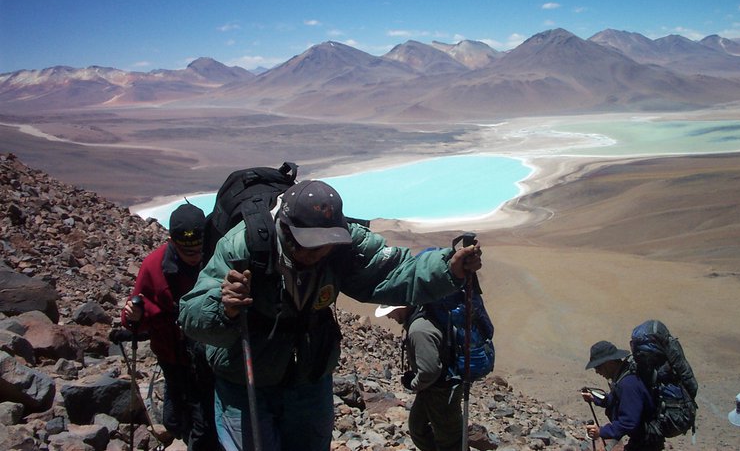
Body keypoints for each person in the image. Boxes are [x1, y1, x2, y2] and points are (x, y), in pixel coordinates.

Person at [178, 179, 482, 451]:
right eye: (310, 247)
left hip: (309, 377)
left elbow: (394, 271)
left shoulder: (342, 243)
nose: (318, 253)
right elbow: (191, 315)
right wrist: (223, 307)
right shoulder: (243, 245)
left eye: (325, 246)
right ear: (285, 229)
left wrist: (448, 268)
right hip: (245, 383)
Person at [121, 203, 220, 450]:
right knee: (178, 414)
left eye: (198, 249)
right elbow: (137, 315)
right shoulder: (154, 266)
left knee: (203, 419)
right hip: (172, 355)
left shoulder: (217, 257)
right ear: (172, 242)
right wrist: (133, 316)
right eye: (188, 252)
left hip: (208, 356)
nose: (195, 256)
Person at [376, 304, 463, 451]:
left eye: (390, 312)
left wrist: (413, 384)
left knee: (449, 441)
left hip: (442, 391)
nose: (388, 316)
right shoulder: (419, 319)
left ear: (402, 307)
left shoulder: (418, 330)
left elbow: (429, 371)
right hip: (432, 389)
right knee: (418, 427)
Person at [581, 340, 662, 450]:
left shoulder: (628, 383)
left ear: (609, 363)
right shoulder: (623, 377)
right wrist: (594, 398)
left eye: (598, 367)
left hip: (646, 442)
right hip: (642, 439)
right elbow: (614, 400)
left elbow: (628, 422)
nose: (597, 371)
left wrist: (601, 431)